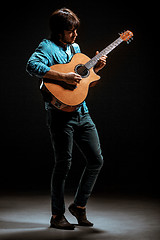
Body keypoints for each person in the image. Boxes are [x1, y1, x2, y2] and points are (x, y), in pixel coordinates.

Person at [26, 8, 107, 230]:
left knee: (96, 160)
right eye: (71, 31)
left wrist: (95, 70)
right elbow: (32, 66)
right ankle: (56, 216)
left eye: (75, 31)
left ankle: (79, 207)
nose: (75, 35)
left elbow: (80, 81)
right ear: (59, 31)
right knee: (64, 165)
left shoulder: (76, 48)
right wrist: (62, 76)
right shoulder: (46, 47)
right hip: (60, 115)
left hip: (82, 112)